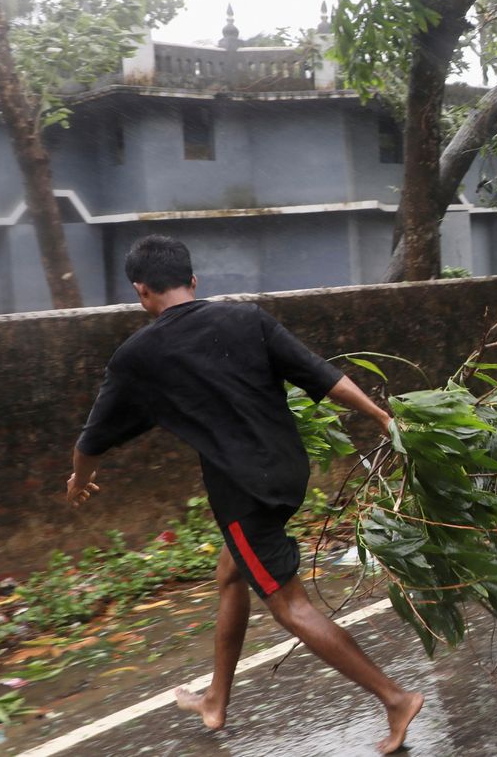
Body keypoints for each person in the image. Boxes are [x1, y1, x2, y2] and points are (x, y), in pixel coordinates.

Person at [68, 235, 424, 754]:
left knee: (288, 606)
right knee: (231, 571)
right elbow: (323, 376)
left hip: (243, 493)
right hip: (289, 472)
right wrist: (382, 418)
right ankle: (216, 700)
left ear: (142, 292)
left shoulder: (136, 357)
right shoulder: (246, 319)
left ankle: (393, 698)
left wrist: (79, 481)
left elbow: (93, 438)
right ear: (193, 281)